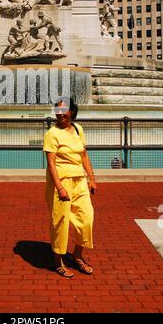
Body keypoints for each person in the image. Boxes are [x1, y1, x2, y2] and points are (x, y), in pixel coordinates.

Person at [43, 97, 97, 278]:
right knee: (61, 221)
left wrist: (91, 178)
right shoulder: (52, 133)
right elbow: (51, 163)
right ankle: (58, 261)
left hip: (79, 181)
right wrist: (59, 188)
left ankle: (77, 255)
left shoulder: (78, 129)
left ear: (72, 111)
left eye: (64, 110)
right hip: (61, 182)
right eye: (57, 110)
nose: (60, 114)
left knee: (86, 218)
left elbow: (84, 156)